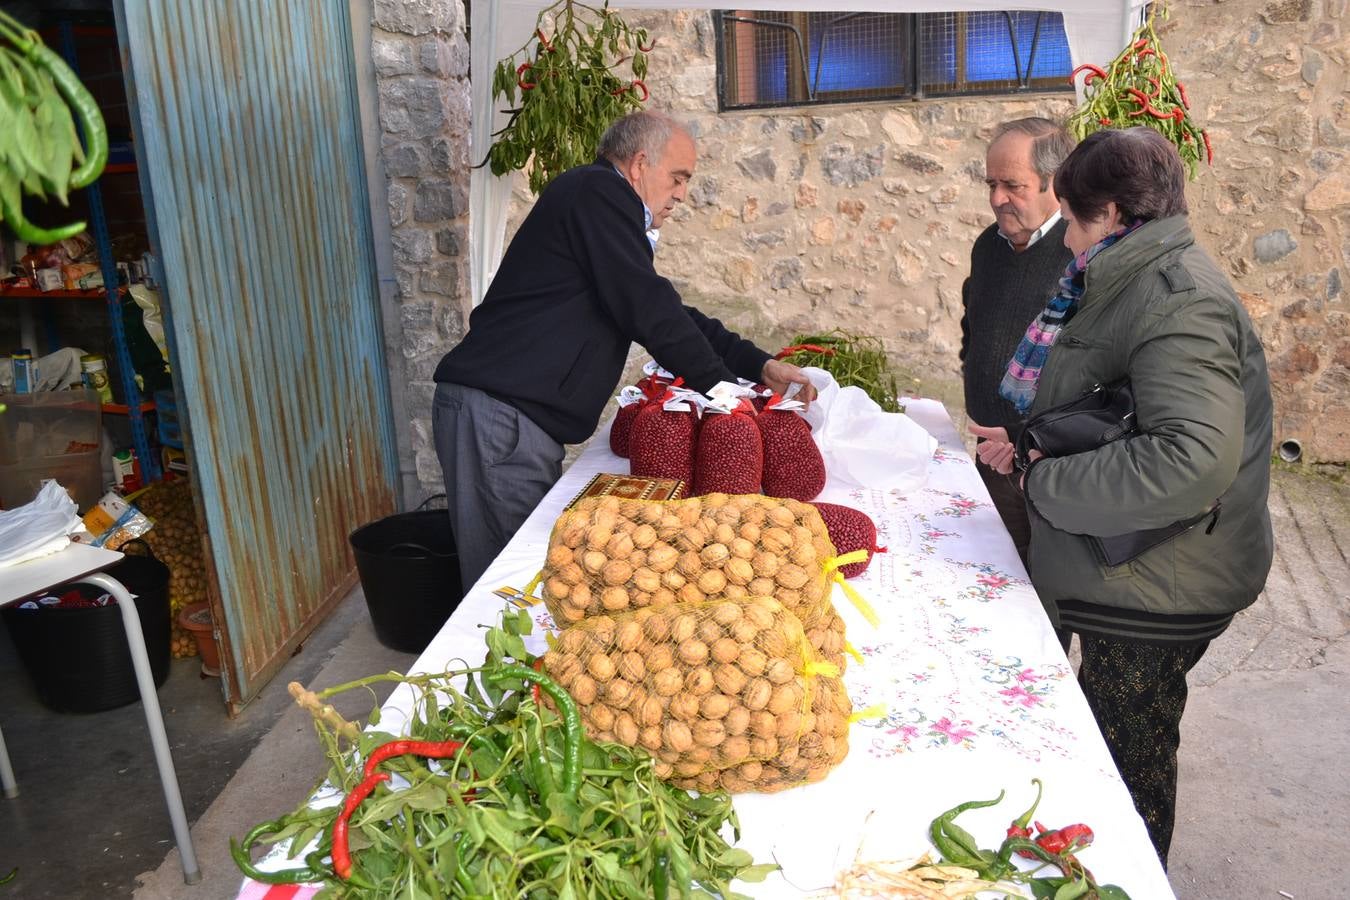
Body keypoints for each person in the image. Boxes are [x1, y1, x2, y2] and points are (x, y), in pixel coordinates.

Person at [975, 127, 1274, 866]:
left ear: (1109, 213)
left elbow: (1192, 458)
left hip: (1156, 589)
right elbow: (1119, 403)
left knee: (1122, 783)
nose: (1067, 239)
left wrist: (1043, 483)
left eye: (1073, 220)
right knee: (1097, 754)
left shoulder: (1176, 297)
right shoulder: (1131, 273)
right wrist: (1039, 442)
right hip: (1138, 566)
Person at [432, 110, 814, 593]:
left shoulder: (598, 208)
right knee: (510, 591)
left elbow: (665, 307)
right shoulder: (598, 192)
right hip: (499, 418)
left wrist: (757, 365)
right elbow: (648, 308)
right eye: (677, 178)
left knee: (528, 581)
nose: (681, 195)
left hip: (509, 420)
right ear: (638, 165)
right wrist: (722, 390)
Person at [961, 117, 1074, 571]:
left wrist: (1030, 438)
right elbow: (973, 325)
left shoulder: (1078, 256)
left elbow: (1090, 374)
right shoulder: (988, 245)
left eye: (1012, 185)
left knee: (1045, 595)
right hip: (990, 459)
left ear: (1055, 184)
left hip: (1048, 469)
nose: (996, 199)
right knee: (990, 581)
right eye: (991, 183)